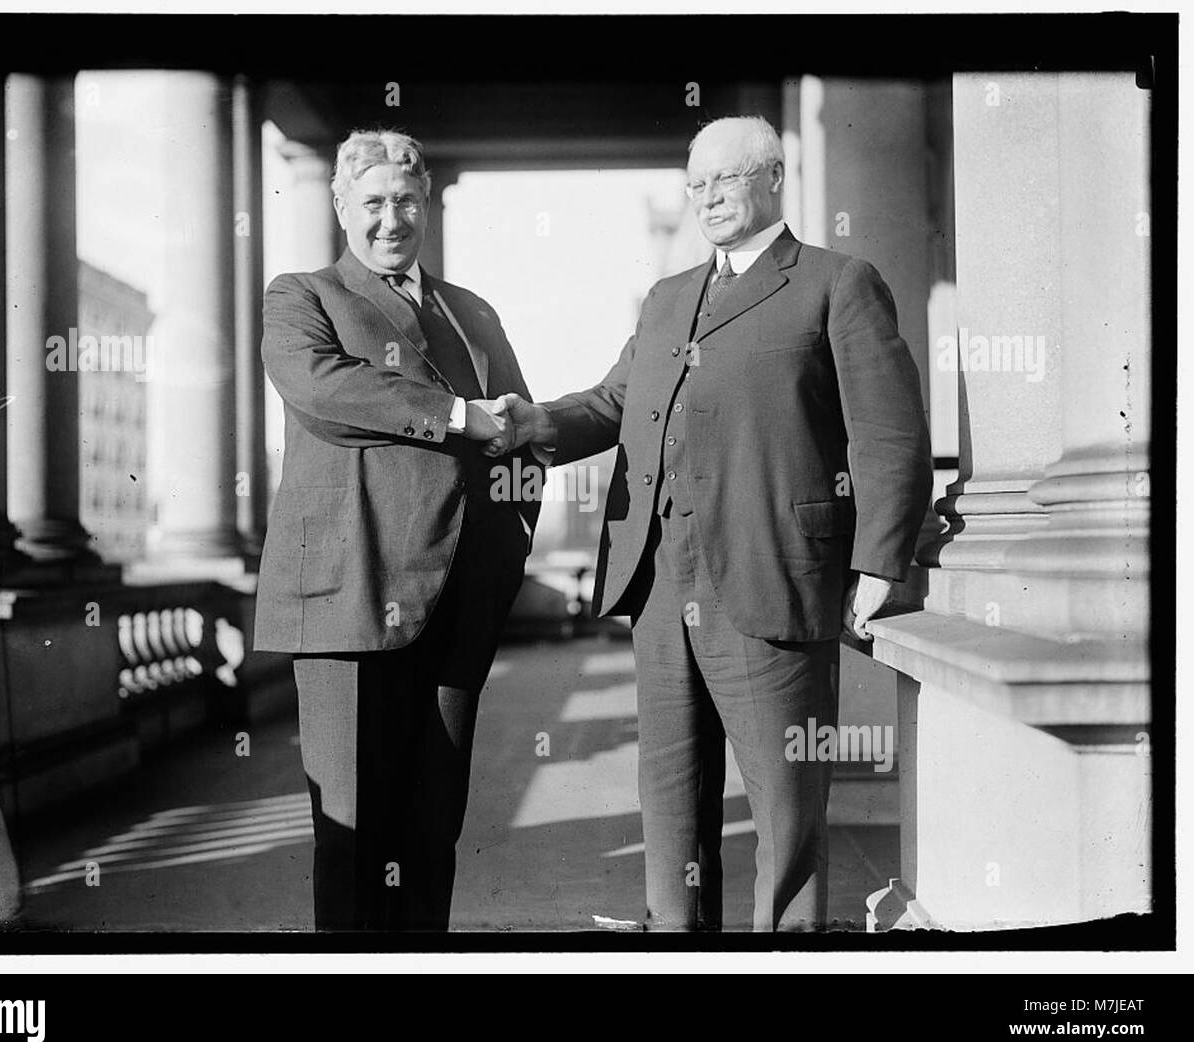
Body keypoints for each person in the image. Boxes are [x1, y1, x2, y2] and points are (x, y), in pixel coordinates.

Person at [492, 115, 932, 931]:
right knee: (671, 799)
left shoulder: (838, 282)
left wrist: (879, 562)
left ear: (771, 180)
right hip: (659, 582)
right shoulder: (666, 299)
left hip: (774, 569)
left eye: (726, 179)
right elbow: (616, 404)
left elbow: (888, 429)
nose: (709, 198)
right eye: (696, 184)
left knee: (786, 803)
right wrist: (524, 423)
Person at [253, 129, 533, 932]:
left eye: (406, 201)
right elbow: (328, 392)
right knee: (352, 838)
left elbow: (522, 434)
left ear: (427, 204)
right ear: (341, 205)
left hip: (455, 610)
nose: (390, 219)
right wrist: (456, 416)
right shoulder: (301, 295)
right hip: (350, 601)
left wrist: (500, 558)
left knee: (431, 833)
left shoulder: (472, 311)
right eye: (371, 202)